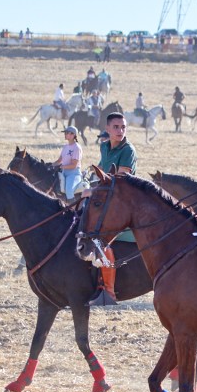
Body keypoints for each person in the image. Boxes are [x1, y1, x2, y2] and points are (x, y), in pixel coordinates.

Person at [85, 112, 138, 307]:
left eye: (123, 127)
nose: (120, 130)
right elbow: (101, 171)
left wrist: (93, 190)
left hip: (123, 202)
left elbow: (120, 180)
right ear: (107, 129)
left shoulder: (128, 150)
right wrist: (88, 181)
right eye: (116, 127)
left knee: (102, 239)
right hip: (107, 199)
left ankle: (109, 292)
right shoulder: (104, 146)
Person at [51, 125, 83, 198]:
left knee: (69, 191)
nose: (65, 134)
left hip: (73, 174)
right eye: (65, 133)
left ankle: (73, 205)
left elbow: (74, 165)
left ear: (73, 135)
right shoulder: (65, 146)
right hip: (64, 173)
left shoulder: (76, 147)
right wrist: (50, 165)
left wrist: (61, 167)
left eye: (66, 133)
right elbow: (59, 160)